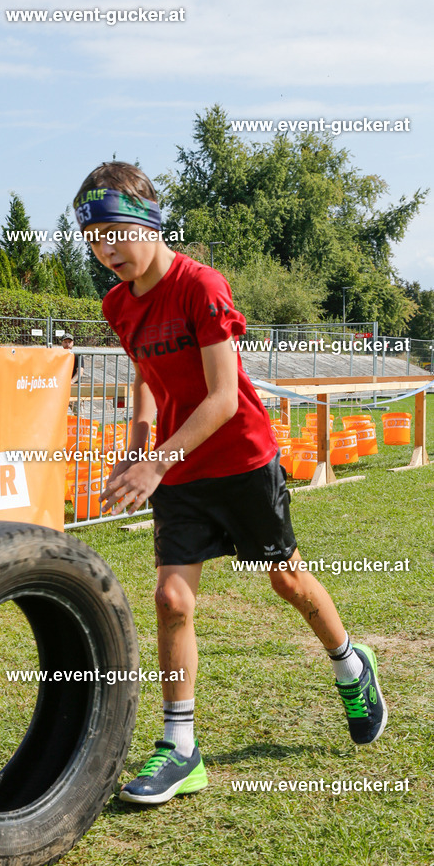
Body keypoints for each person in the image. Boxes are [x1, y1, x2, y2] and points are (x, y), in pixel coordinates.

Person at [73, 161, 387, 806]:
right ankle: (181, 749)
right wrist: (137, 444)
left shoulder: (201, 286)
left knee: (286, 581)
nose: (106, 250)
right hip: (180, 470)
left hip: (242, 461)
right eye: (94, 239)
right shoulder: (116, 303)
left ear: (151, 225)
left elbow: (221, 398)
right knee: (171, 600)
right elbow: (145, 376)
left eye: (116, 233)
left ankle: (351, 663)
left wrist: (156, 462)